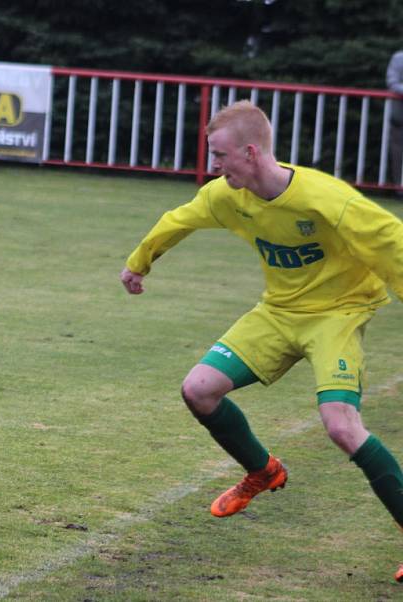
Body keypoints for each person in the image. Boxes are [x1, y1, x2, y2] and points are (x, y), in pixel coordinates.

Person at [120, 100, 403, 582]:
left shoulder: (326, 199)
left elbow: (389, 240)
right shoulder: (226, 196)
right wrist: (139, 262)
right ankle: (263, 470)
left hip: (336, 315)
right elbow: (179, 219)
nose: (213, 166)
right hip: (277, 312)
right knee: (199, 388)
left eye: (220, 156)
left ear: (251, 152)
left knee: (341, 427)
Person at [386, 50, 403, 190]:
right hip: (400, 116)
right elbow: (392, 83)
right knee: (398, 152)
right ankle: (399, 188)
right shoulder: (399, 58)